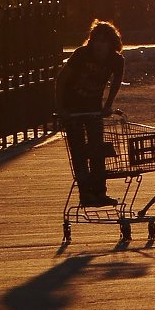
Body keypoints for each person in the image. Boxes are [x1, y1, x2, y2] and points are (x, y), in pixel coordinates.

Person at [55, 19, 125, 207]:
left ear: (112, 44)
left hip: (93, 108)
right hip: (73, 108)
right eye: (97, 41)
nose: (100, 45)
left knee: (97, 150)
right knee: (78, 152)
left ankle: (99, 192)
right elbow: (61, 81)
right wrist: (61, 109)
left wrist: (107, 105)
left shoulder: (116, 60)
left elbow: (116, 81)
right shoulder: (81, 55)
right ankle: (85, 194)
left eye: (104, 41)